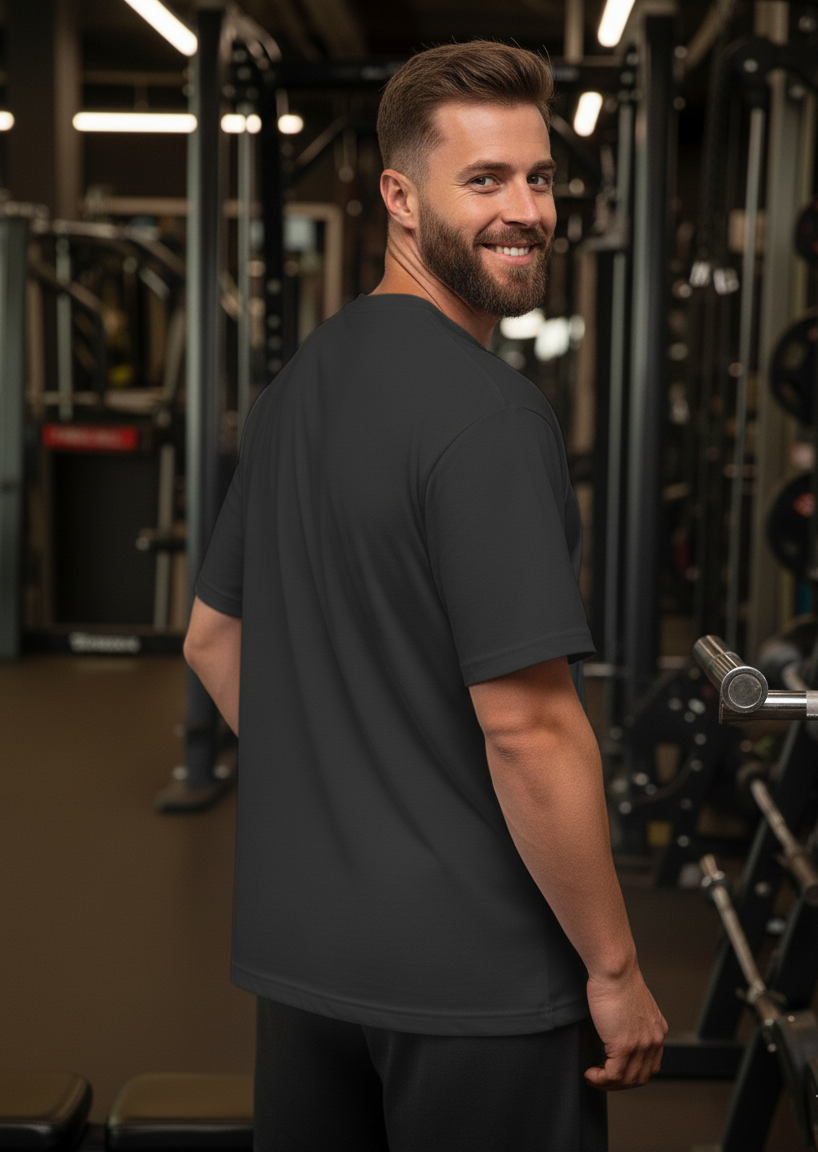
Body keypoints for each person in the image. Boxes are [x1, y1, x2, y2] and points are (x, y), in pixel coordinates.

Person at [184, 40, 666, 1152]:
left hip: (309, 965)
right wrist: (613, 966)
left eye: (538, 178)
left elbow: (213, 640)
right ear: (400, 198)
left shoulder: (300, 382)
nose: (525, 211)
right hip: (478, 979)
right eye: (484, 180)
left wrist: (355, 789)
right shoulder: (490, 417)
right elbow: (530, 726)